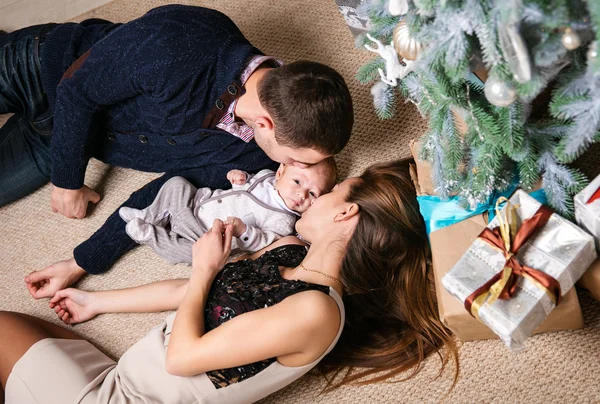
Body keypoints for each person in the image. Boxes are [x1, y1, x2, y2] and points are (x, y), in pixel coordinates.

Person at [0, 160, 458, 404]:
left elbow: (182, 357)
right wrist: (95, 303)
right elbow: (189, 298)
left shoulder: (316, 310)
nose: (311, 200)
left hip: (128, 398)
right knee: (31, 331)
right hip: (123, 377)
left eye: (333, 191)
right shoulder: (287, 249)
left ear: (345, 212)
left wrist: (204, 268)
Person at [0, 5, 353, 297]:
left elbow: (165, 194)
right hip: (43, 69)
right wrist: (67, 181)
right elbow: (76, 92)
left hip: (63, 139)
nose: (289, 167)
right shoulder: (183, 40)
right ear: (265, 123)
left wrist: (80, 262)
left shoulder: (255, 157)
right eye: (295, 158)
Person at [119, 158, 337, 264]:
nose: (301, 194)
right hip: (197, 204)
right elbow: (241, 187)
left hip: (208, 239)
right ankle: (149, 215)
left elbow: (266, 242)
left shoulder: (284, 220)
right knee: (177, 183)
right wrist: (238, 178)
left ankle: (149, 235)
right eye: (298, 181)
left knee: (192, 256)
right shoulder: (265, 176)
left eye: (313, 194)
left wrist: (245, 232)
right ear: (280, 172)